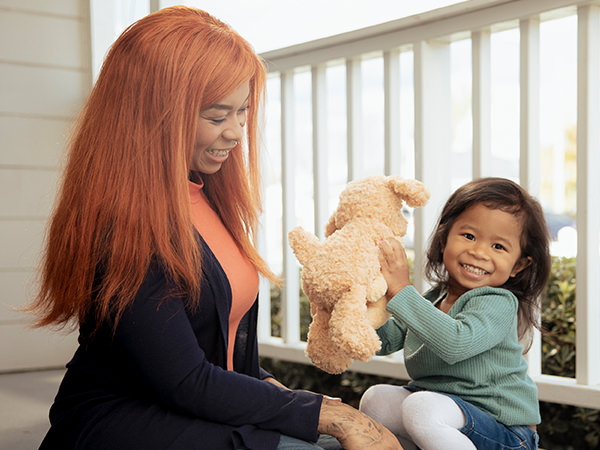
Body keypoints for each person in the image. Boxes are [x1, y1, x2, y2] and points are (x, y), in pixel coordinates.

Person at [28, 6, 402, 450]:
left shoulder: (203, 195)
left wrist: (295, 397)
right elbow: (184, 379)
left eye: (242, 111)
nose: (237, 132)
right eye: (216, 115)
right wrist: (331, 414)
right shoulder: (123, 227)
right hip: (129, 422)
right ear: (151, 116)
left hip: (194, 407)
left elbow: (220, 352)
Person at [359, 177, 551, 450]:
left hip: (504, 431)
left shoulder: (498, 302)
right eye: (469, 236)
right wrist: (355, 308)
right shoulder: (434, 297)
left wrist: (401, 290)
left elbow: (455, 343)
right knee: (376, 400)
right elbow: (383, 341)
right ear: (444, 238)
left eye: (498, 246)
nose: (478, 252)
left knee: (421, 407)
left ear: (518, 265)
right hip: (444, 413)